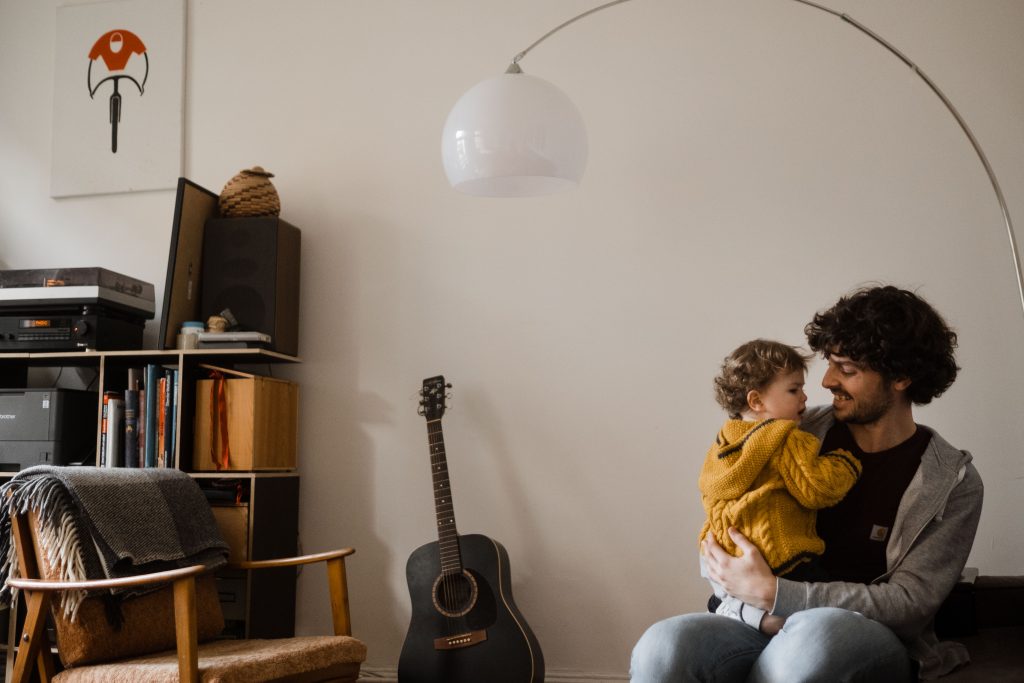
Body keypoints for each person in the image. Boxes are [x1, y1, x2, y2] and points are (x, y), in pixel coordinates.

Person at [632, 285, 984, 682]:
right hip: (755, 621)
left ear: (901, 376)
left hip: (864, 635)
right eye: (830, 364)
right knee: (663, 645)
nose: (827, 381)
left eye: (847, 369)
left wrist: (777, 593)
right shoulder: (785, 431)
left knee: (818, 640)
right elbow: (723, 528)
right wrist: (751, 603)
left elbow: (909, 603)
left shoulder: (950, 481)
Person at [699, 339, 862, 631]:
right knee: (836, 613)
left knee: (732, 599)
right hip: (782, 554)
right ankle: (773, 621)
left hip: (722, 555)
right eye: (793, 389)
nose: (804, 398)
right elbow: (816, 489)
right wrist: (844, 464)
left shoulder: (723, 441)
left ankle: (733, 610)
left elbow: (709, 487)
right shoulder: (785, 436)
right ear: (756, 401)